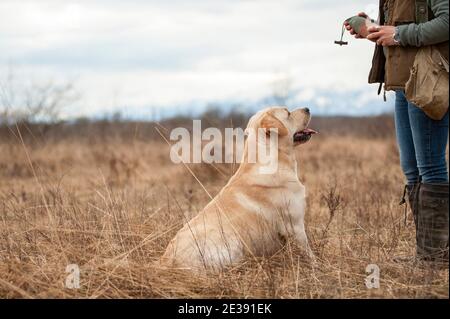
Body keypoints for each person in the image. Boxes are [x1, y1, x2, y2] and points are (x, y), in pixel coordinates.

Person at [345, 0, 449, 265]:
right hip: (404, 83)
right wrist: (373, 29)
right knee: (412, 169)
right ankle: (427, 253)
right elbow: (399, 29)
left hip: (428, 80)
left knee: (431, 168)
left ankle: (435, 257)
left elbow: (447, 21)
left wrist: (399, 34)